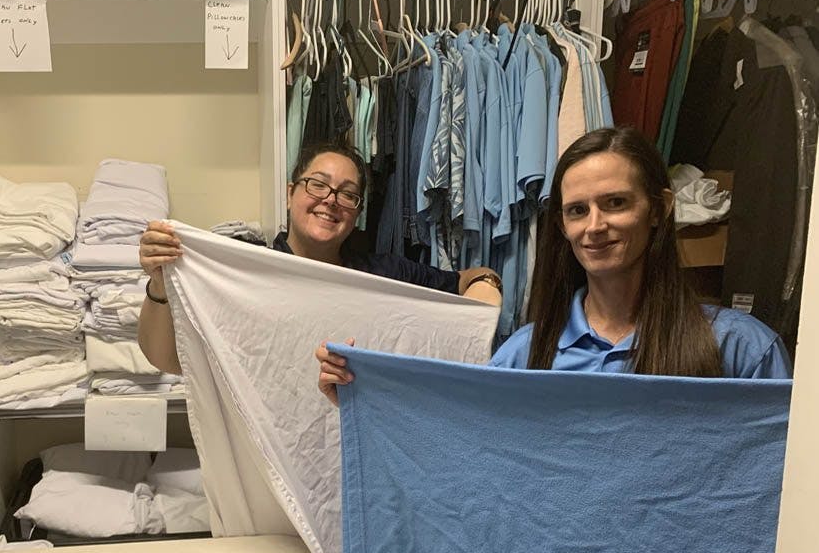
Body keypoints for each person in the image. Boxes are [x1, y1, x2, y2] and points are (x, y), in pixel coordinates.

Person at [317, 126, 791, 404]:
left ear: (660, 210)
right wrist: (367, 397)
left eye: (616, 203)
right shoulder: (525, 355)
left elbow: (784, 501)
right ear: (561, 227)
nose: (595, 225)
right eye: (577, 210)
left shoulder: (741, 352)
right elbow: (465, 449)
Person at [138, 142, 503, 374]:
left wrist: (486, 286)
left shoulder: (384, 274)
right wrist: (159, 283)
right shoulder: (244, 271)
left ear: (357, 213)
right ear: (290, 193)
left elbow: (468, 278)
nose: (330, 200)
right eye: (318, 185)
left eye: (347, 194)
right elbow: (167, 359)